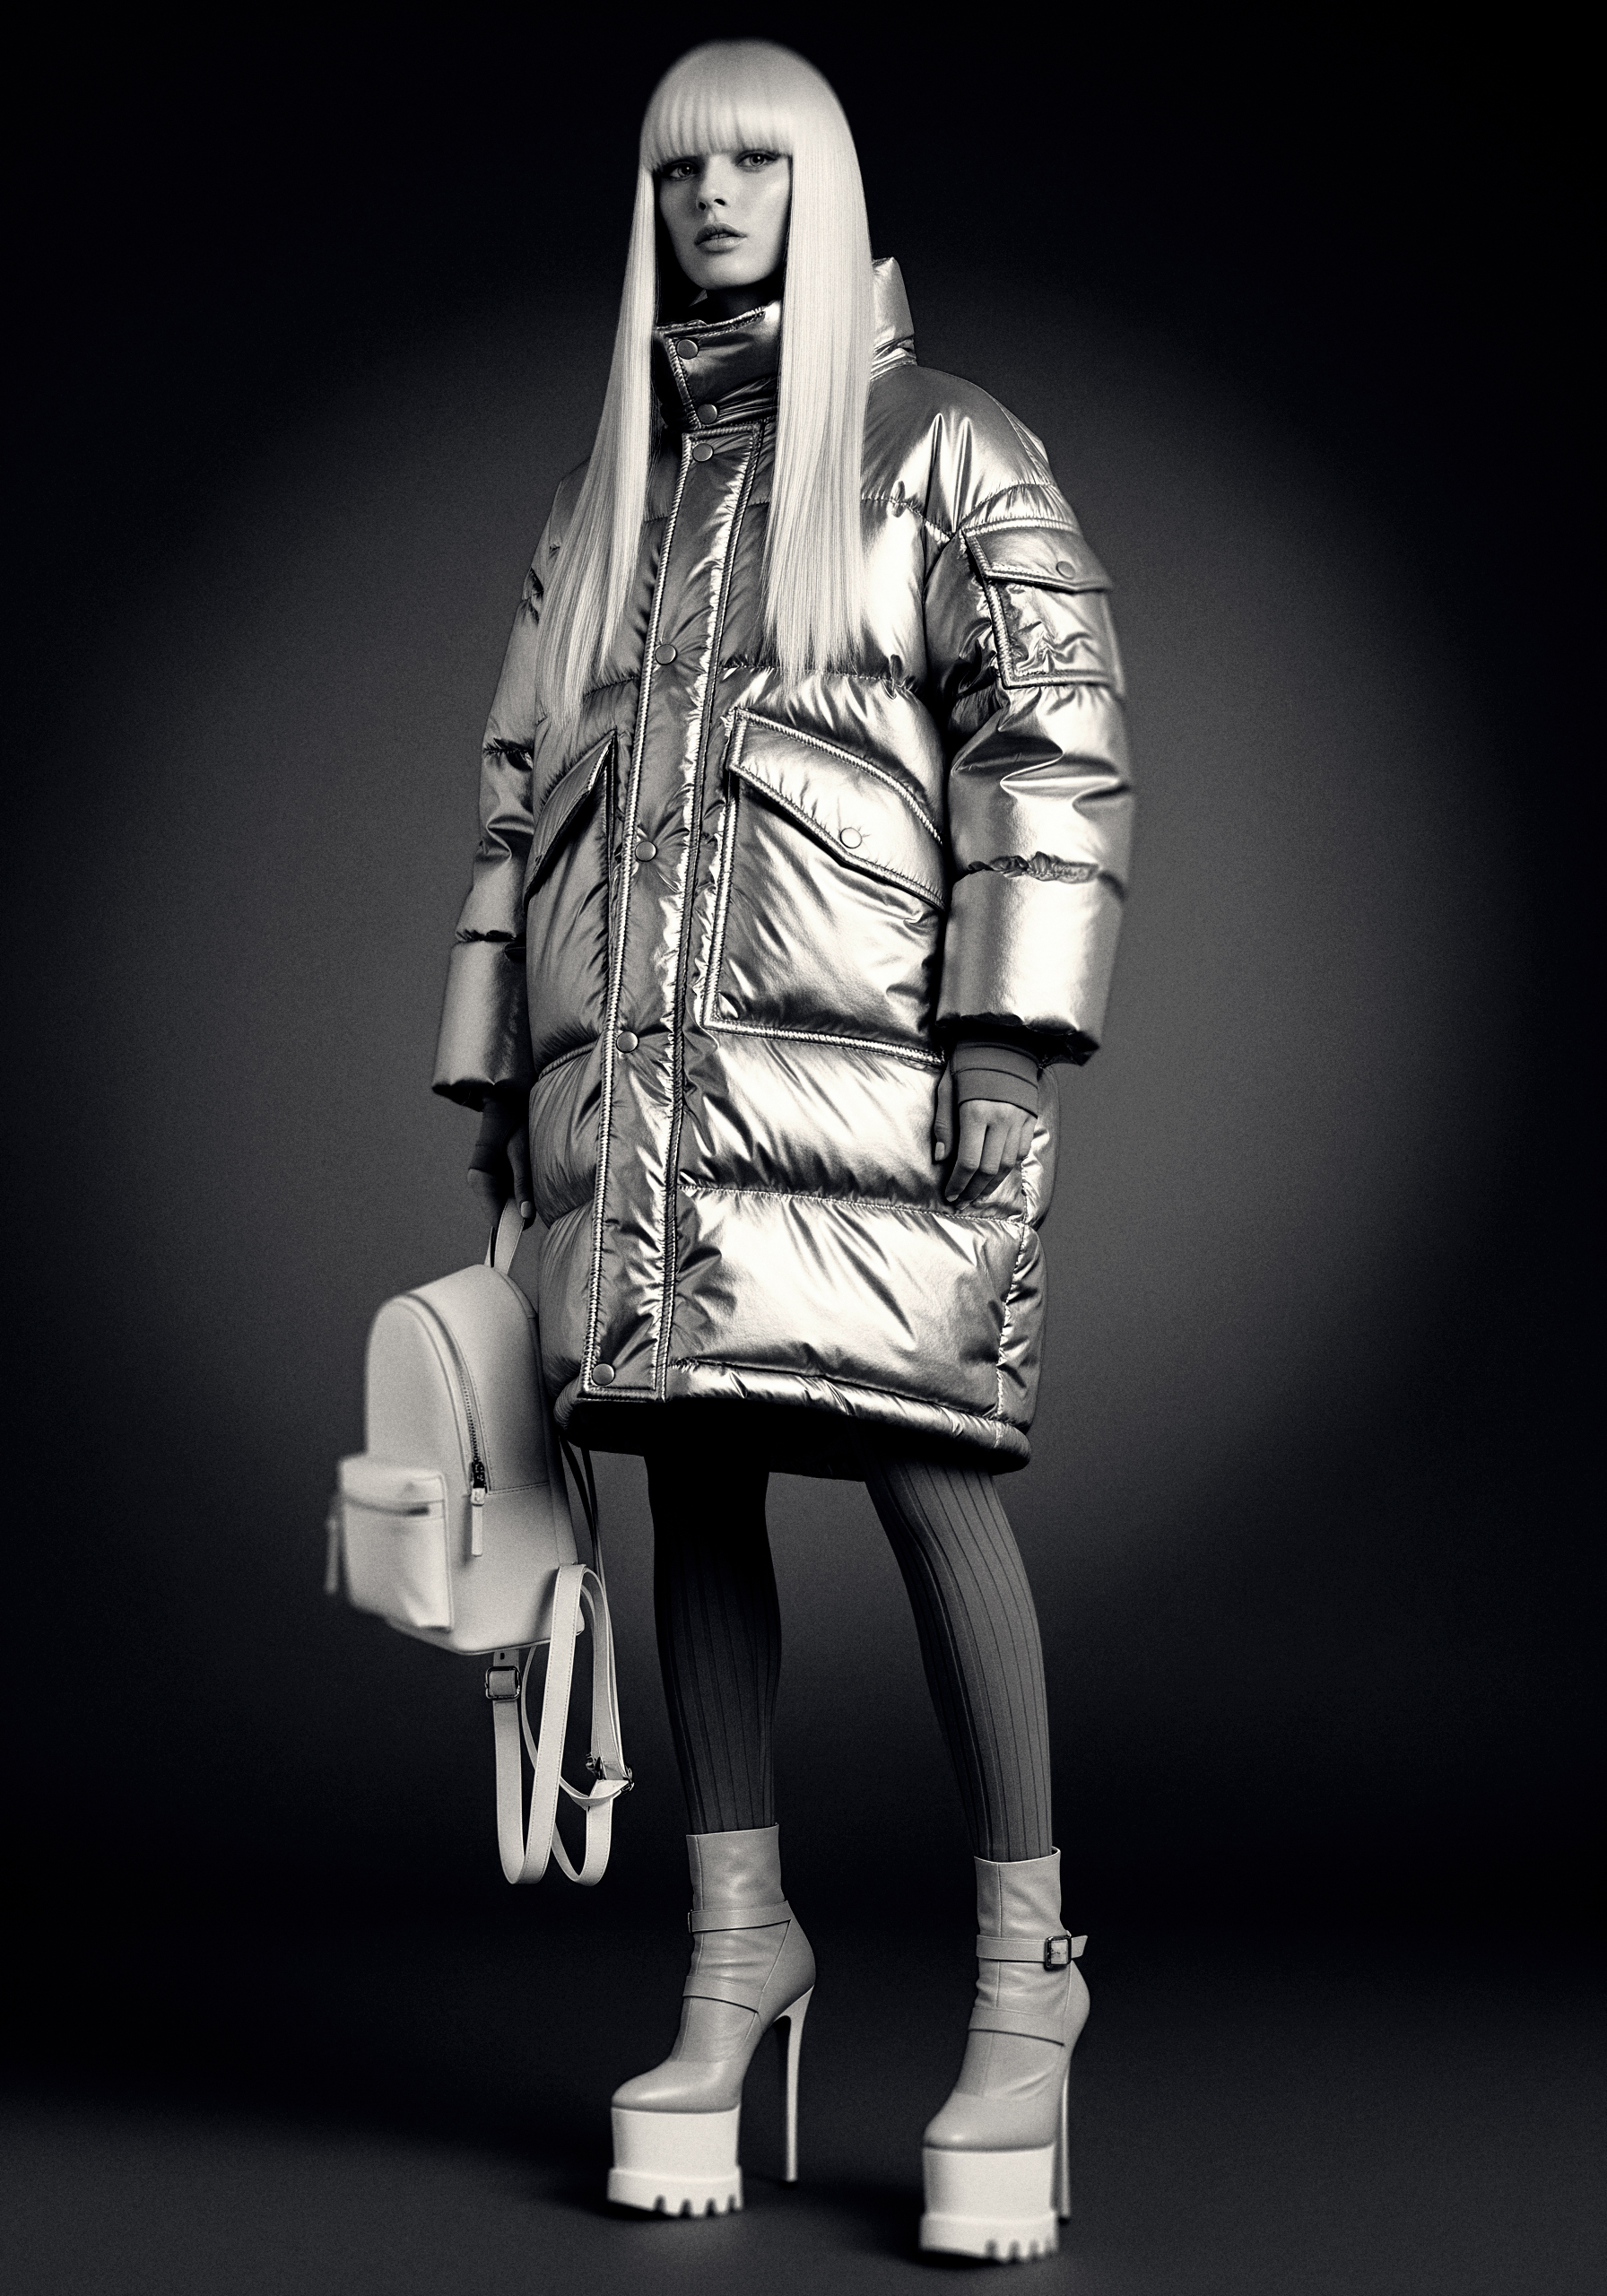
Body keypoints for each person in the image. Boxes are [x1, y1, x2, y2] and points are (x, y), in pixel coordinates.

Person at [433, 38, 1132, 2266]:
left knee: (928, 1467)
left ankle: (1024, 1988)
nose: (710, 196)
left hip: (883, 1093)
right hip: (631, 1105)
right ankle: (737, 1951)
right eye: (675, 168)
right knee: (693, 1474)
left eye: (752, 159)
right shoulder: (607, 494)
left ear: (821, 184)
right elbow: (515, 801)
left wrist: (1004, 1032)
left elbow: (1052, 740)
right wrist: (495, 1079)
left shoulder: (946, 450)